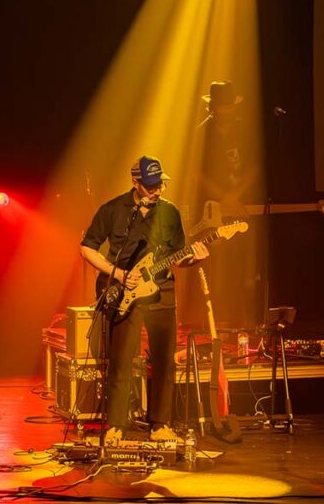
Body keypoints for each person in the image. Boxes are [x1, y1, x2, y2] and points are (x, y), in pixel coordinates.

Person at [80, 156, 209, 445]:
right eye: (150, 186)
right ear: (136, 183)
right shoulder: (113, 210)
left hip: (162, 293)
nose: (157, 191)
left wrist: (195, 258)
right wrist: (118, 273)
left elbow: (179, 258)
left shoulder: (170, 213)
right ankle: (115, 425)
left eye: (160, 184)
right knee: (121, 360)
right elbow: (87, 248)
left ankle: (160, 425)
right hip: (126, 293)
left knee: (164, 361)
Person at [192, 80, 261, 328]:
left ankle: (244, 321)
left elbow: (255, 167)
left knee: (244, 267)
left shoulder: (244, 131)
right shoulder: (203, 133)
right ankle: (213, 321)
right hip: (212, 208)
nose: (227, 112)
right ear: (213, 107)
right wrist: (224, 197)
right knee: (215, 265)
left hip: (242, 206)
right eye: (223, 107)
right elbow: (196, 173)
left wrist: (237, 195)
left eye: (230, 107)